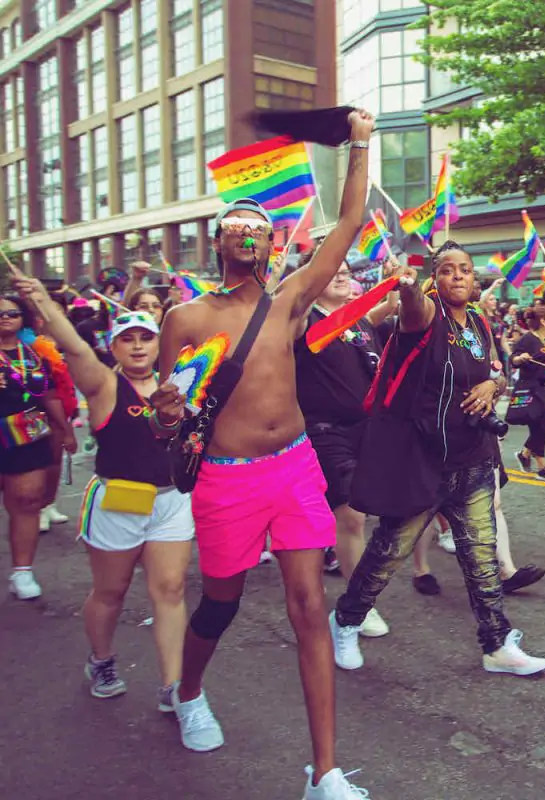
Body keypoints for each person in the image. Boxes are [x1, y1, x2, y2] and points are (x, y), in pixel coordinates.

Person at [148, 109, 376, 799]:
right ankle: (188, 691)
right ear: (217, 243)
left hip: (296, 469)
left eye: (257, 229)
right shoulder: (184, 319)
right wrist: (166, 411)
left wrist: (360, 140)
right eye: (234, 228)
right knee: (222, 601)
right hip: (226, 479)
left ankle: (325, 772)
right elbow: (170, 419)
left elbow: (348, 223)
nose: (246, 235)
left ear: (271, 242)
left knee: (309, 603)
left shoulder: (290, 300)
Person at [330, 240, 545, 678]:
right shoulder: (425, 315)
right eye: (448, 270)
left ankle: (496, 645)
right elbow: (411, 308)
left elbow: (496, 371)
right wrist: (407, 286)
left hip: (473, 460)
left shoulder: (481, 323)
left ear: (474, 278)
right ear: (436, 278)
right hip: (422, 461)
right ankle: (346, 620)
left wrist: (493, 387)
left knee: (482, 557)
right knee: (388, 552)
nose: (459, 277)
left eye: (465, 270)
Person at [19, 276, 193, 710]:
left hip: (171, 502)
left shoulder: (179, 384)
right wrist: (43, 304)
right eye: (127, 340)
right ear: (113, 347)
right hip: (119, 501)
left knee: (170, 590)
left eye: (146, 339)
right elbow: (74, 348)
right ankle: (101, 659)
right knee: (110, 592)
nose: (137, 347)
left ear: (158, 345)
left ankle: (172, 686)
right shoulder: (104, 385)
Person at [295, 259, 396, 639]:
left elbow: (381, 314)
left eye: (345, 272)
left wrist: (393, 284)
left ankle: (323, 555)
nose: (341, 276)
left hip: (367, 431)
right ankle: (357, 605)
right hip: (325, 431)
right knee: (352, 515)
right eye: (331, 270)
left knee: (358, 515)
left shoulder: (359, 322)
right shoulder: (304, 321)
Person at [1, 294, 75, 599]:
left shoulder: (36, 353)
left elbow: (51, 395)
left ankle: (22, 572)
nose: (5, 317)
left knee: (29, 501)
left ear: (24, 319)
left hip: (27, 436)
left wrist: (65, 429)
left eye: (12, 312)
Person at [510, 306, 545, 479]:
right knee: (543, 424)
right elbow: (514, 359)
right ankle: (542, 466)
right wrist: (521, 358)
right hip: (533, 389)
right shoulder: (528, 339)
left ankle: (524, 454)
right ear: (543, 320)